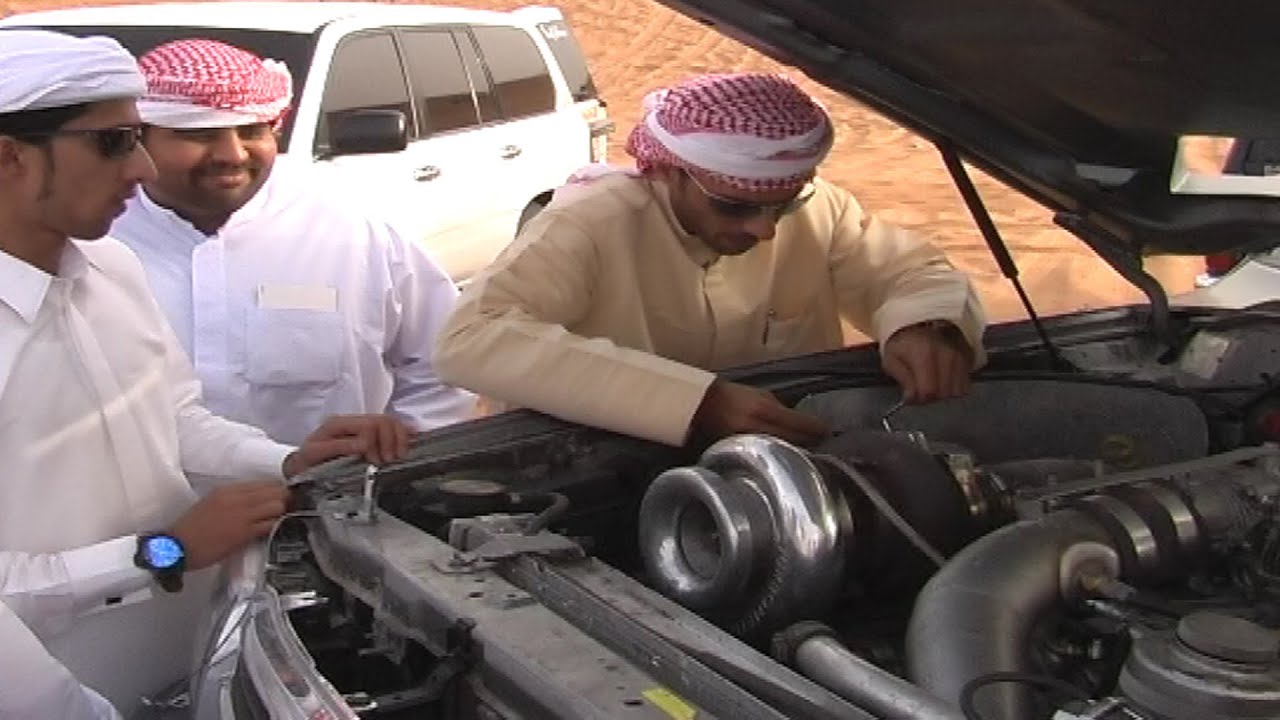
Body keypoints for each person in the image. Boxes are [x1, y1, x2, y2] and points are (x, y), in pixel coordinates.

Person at [0, 30, 410, 717]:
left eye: (137, 138)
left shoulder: (109, 269)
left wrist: (288, 462)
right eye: (113, 142)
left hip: (207, 658)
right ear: (9, 156)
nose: (140, 169)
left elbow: (173, 417)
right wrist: (163, 552)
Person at [434, 72, 987, 447]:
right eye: (735, 206)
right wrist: (694, 404)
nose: (765, 229)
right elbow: (471, 339)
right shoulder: (594, 223)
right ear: (672, 172)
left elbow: (908, 273)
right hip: (612, 471)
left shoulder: (820, 210)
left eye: (783, 204)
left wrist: (926, 325)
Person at [110, 38, 475, 446]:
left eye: (252, 131)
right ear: (138, 139)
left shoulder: (350, 227)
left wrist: (400, 450)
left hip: (328, 501)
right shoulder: (97, 240)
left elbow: (446, 357)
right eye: (200, 134)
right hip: (155, 507)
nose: (231, 154)